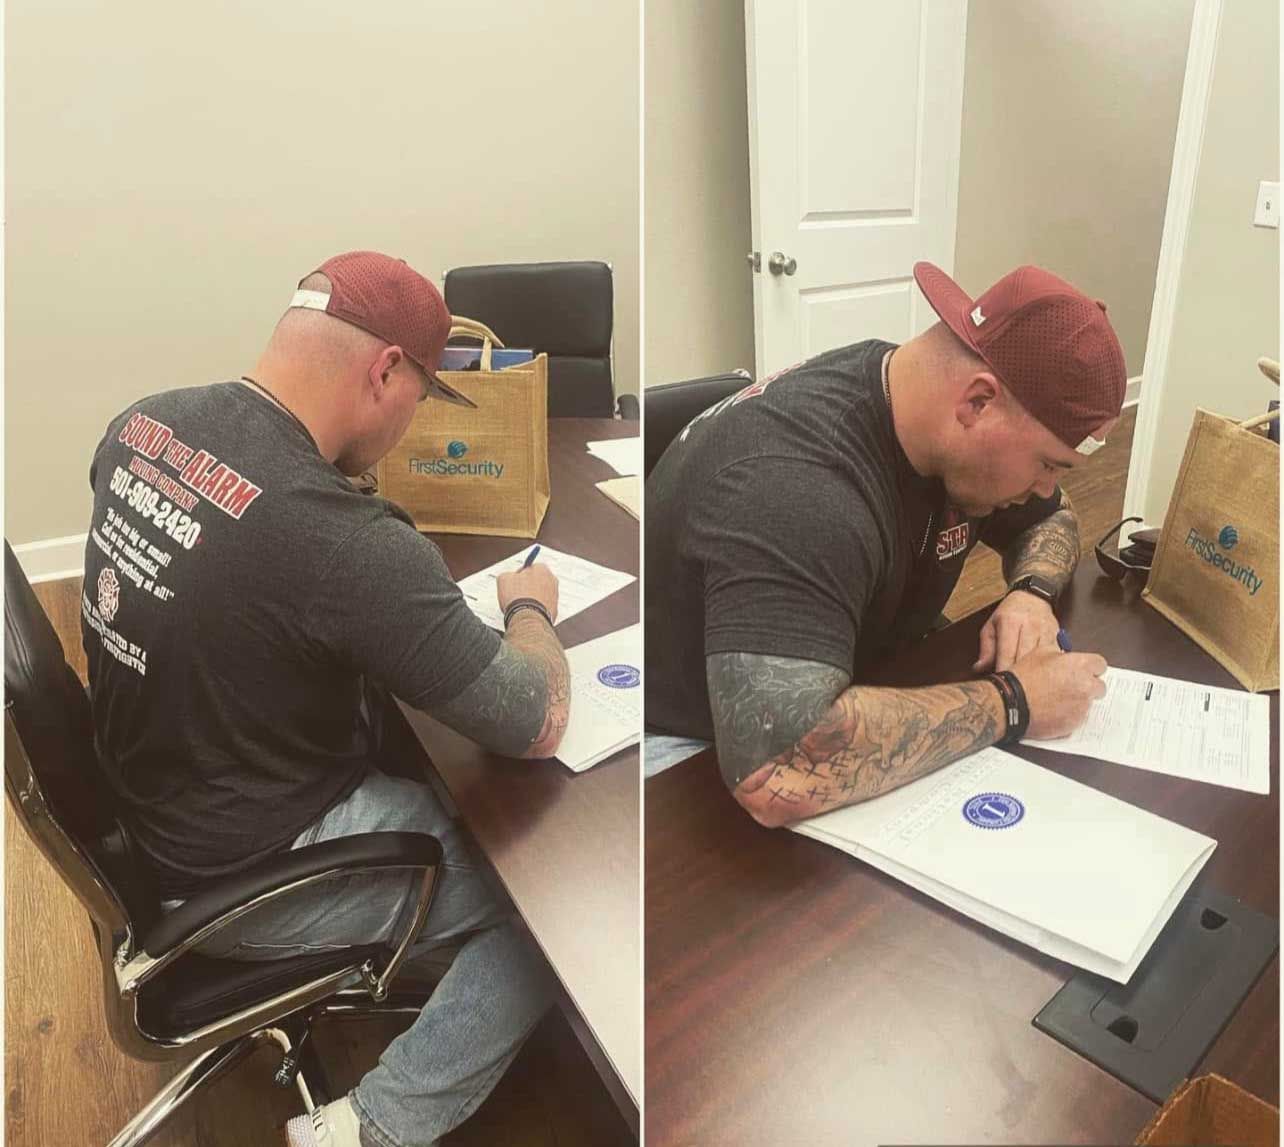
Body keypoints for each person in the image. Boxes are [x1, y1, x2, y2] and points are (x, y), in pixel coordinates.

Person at [81, 251, 568, 1147]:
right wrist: (531, 609)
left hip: (149, 802)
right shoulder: (336, 541)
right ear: (386, 369)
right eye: (419, 398)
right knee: (555, 907)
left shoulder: (142, 425)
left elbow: (227, 577)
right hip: (242, 869)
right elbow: (532, 715)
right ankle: (376, 1126)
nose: (412, 424)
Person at [645, 262, 1122, 826]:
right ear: (976, 403)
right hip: (694, 750)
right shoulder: (797, 490)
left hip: (849, 675)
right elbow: (778, 771)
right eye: (1046, 463)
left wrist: (1031, 592)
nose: (1047, 485)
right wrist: (1015, 703)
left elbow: (1054, 518)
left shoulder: (922, 401)